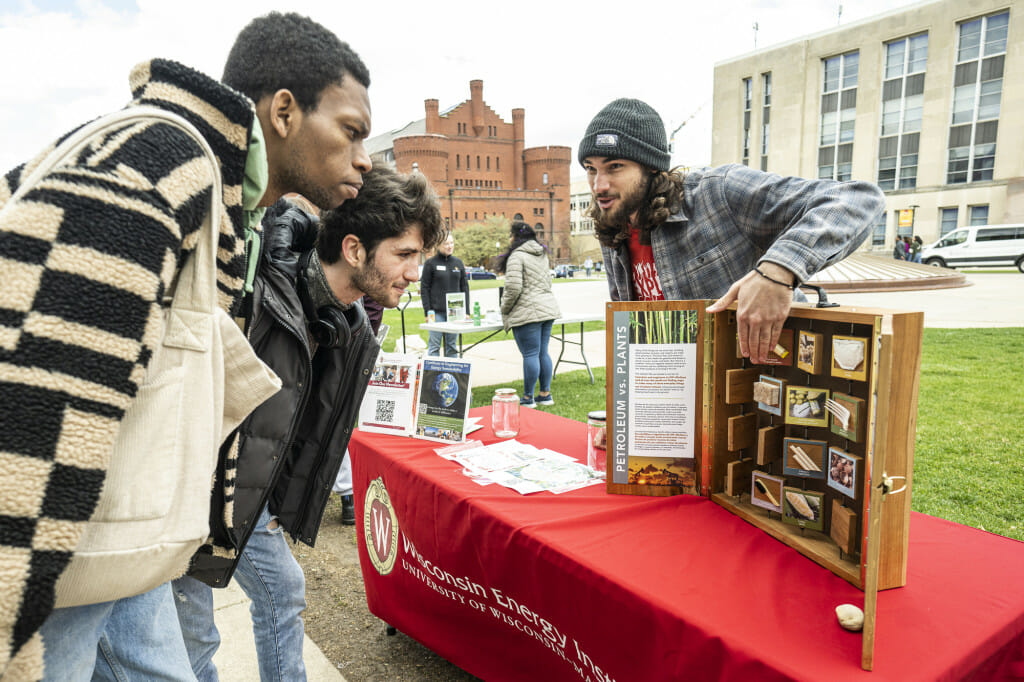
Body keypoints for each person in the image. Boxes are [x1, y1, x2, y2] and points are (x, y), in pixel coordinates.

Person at [0, 11, 375, 680]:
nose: (365, 158)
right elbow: (43, 386)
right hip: (63, 547)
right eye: (351, 131)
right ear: (285, 111)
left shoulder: (226, 197)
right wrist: (11, 606)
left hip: (125, 537)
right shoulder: (160, 155)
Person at [173, 167, 444, 681]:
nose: (415, 273)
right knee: (195, 638)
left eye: (420, 258)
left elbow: (307, 421)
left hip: (250, 495)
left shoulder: (350, 321)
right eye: (405, 255)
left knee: (281, 594)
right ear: (355, 250)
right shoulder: (260, 288)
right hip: (193, 490)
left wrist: (274, 501)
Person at [578, 98, 884, 363]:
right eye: (591, 168)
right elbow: (633, 337)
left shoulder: (718, 192)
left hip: (763, 383)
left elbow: (858, 200)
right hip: (678, 401)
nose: (598, 185)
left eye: (614, 166)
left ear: (652, 166)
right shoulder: (613, 225)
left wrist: (778, 271)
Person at [494, 222, 561, 407]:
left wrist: (504, 308)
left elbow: (513, 288)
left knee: (531, 354)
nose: (509, 239)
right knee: (542, 352)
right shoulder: (541, 254)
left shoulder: (517, 256)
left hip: (528, 311)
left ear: (516, 237)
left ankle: (527, 398)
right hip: (547, 308)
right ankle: (545, 394)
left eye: (510, 235)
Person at [420, 232, 469, 356]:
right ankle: (433, 375)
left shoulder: (458, 263)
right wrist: (427, 312)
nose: (449, 246)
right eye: (446, 243)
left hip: (455, 313)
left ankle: (452, 375)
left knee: (452, 347)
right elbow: (424, 288)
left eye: (451, 243)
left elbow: (465, 287)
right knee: (434, 347)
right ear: (438, 245)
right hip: (436, 314)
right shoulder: (430, 263)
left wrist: (466, 311)